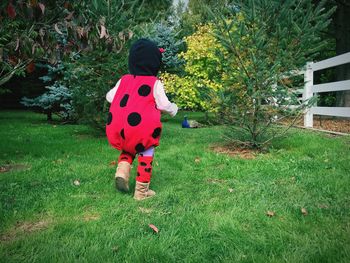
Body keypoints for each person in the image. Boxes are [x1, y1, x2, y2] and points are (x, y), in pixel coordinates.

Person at [106, 39, 178, 200]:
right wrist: (174, 109)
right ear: (154, 63)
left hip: (121, 128)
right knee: (146, 153)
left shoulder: (124, 79)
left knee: (128, 149)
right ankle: (141, 192)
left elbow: (110, 97)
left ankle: (122, 172)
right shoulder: (154, 83)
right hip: (143, 129)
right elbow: (163, 104)